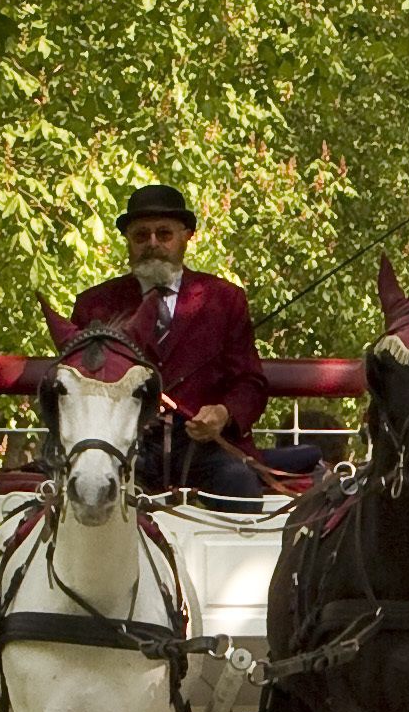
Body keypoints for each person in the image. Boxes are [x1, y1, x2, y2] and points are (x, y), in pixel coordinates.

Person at [70, 184, 271, 503]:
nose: (152, 244)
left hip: (205, 449)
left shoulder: (225, 299)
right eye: (141, 236)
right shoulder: (95, 306)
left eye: (163, 234)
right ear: (128, 241)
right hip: (123, 450)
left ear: (186, 235)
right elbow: (81, 385)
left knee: (241, 488)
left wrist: (223, 413)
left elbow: (251, 382)